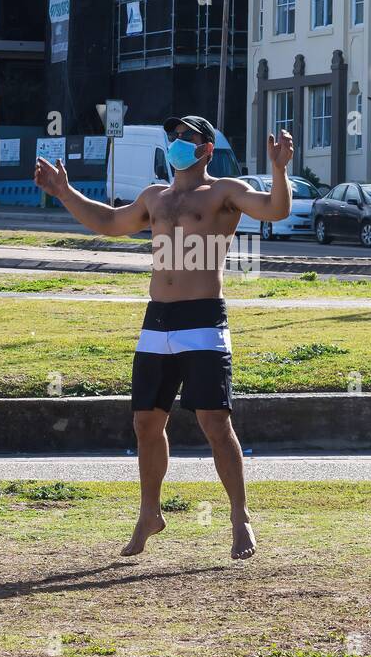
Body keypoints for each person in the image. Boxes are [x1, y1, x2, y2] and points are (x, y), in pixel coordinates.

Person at [34, 116, 295, 560]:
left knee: (215, 423)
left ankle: (239, 517)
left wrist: (279, 169)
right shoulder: (154, 196)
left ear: (206, 148)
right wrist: (64, 192)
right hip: (157, 321)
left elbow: (275, 209)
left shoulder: (223, 192)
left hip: (202, 319)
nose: (176, 143)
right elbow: (111, 223)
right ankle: (149, 514)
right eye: (173, 136)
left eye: (187, 138)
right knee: (146, 423)